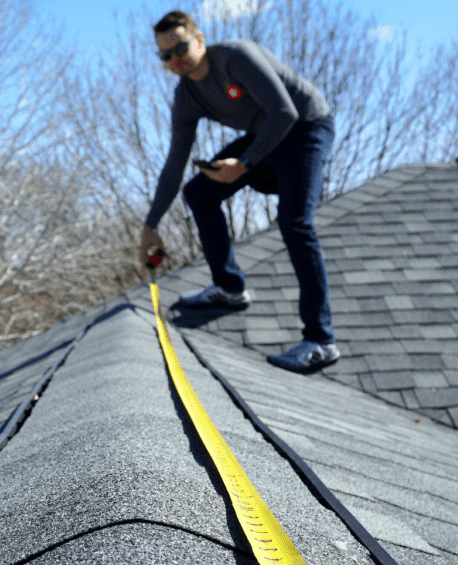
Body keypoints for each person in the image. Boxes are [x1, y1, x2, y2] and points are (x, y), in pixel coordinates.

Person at [140, 9, 339, 372]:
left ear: (199, 40)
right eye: (165, 56)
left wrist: (244, 164)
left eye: (181, 48)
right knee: (199, 192)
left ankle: (320, 340)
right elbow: (174, 164)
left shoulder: (236, 57)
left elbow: (284, 112)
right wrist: (150, 224)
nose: (175, 60)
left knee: (295, 224)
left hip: (305, 128)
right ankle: (230, 289)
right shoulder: (186, 96)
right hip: (263, 138)